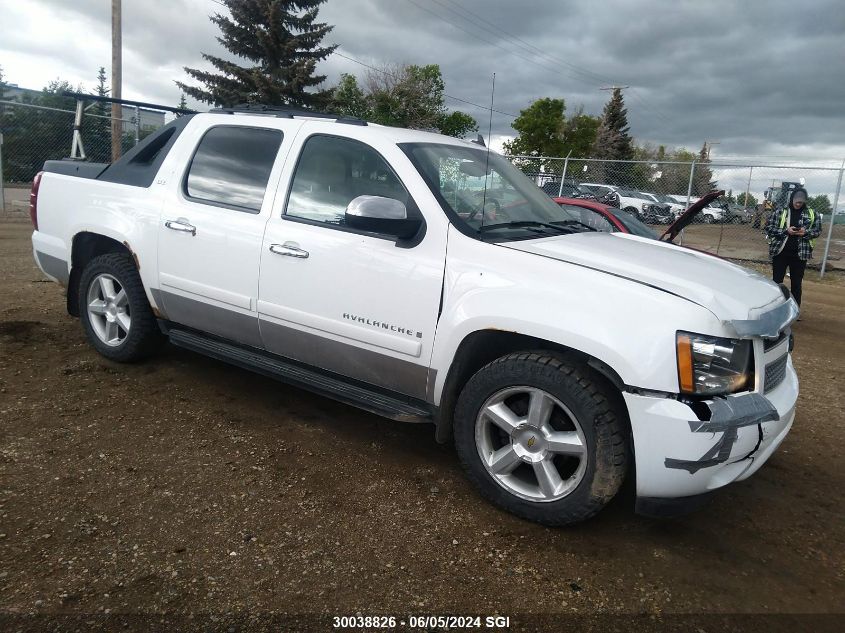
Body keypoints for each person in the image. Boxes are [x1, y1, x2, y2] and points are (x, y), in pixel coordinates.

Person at [764, 187, 822, 310]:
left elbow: (817, 231)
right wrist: (786, 231)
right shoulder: (781, 212)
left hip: (800, 254)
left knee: (796, 284)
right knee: (777, 282)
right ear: (792, 199)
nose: (798, 204)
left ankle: (794, 309)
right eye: (796, 201)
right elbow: (769, 228)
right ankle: (774, 308)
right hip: (781, 253)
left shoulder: (812, 213)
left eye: (801, 202)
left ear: (804, 201)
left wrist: (805, 232)